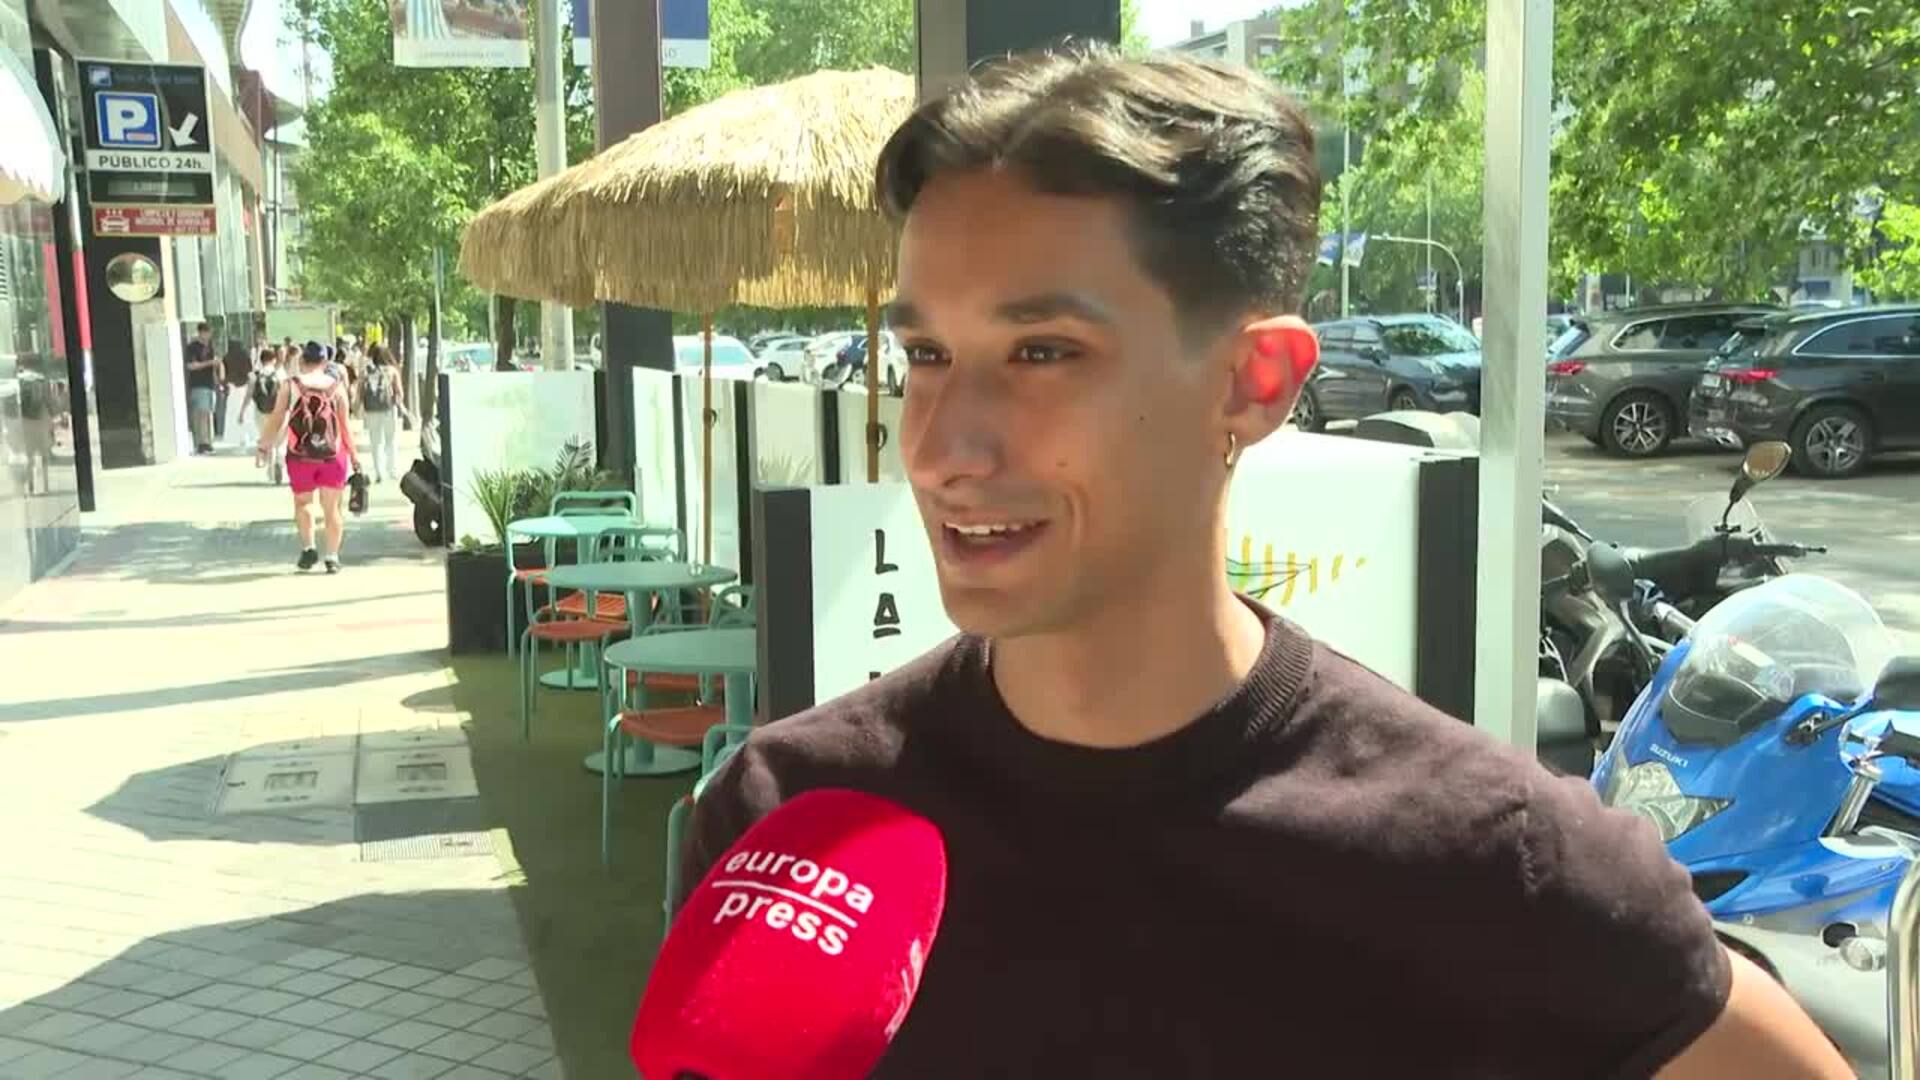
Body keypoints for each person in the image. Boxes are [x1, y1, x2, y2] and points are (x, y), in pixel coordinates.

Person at [678, 46, 1849, 1079]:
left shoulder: (1492, 860)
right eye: (927, 355)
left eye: (1041, 353)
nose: (942, 450)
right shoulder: (786, 823)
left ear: (1253, 382)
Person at [257, 341, 362, 573]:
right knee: (332, 509)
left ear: (302, 361)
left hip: (299, 456)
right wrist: (354, 456)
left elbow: (276, 418)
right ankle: (332, 557)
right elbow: (345, 426)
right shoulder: (336, 387)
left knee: (303, 503)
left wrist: (264, 446)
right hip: (333, 456)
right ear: (325, 362)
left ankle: (308, 548)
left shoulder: (290, 385)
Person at [360, 343, 406, 482]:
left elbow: (361, 390)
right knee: (391, 440)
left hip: (371, 410)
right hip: (388, 409)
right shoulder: (392, 370)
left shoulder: (366, 371)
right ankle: (392, 470)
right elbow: (399, 392)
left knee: (376, 441)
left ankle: (379, 472)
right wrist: (399, 403)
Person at [250, 348, 286, 485]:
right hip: (278, 411)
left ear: (261, 360)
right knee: (280, 440)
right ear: (274, 359)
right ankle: (279, 462)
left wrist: (242, 411)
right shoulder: (280, 374)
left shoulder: (255, 375)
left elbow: (249, 394)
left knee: (267, 439)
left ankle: (270, 470)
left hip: (261, 412)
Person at [183, 322, 219, 454]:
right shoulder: (192, 347)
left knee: (209, 413)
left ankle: (208, 441)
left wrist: (216, 380)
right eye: (207, 333)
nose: (209, 336)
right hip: (198, 384)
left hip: (210, 384)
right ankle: (201, 443)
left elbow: (213, 366)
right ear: (201, 332)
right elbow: (191, 366)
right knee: (201, 414)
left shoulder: (210, 347)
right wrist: (209, 363)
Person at [220, 338, 253, 449]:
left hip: (232, 388)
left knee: (233, 412)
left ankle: (235, 437)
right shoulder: (245, 356)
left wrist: (224, 386)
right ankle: (246, 436)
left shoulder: (226, 357)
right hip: (244, 387)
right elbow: (250, 372)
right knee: (245, 412)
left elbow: (223, 375)